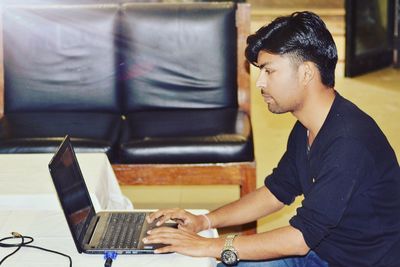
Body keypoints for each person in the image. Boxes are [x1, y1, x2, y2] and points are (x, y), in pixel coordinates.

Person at [142, 11, 400, 267]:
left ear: (306, 73)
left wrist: (210, 246)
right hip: (320, 252)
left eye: (269, 70)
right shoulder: (308, 126)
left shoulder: (348, 142)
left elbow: (300, 238)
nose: (260, 83)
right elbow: (276, 192)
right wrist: (206, 221)